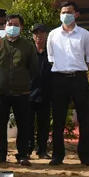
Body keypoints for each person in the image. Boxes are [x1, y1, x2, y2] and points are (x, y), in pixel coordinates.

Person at [46, 1, 89, 167]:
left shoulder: (85, 35)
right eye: (63, 12)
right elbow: (51, 57)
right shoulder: (53, 35)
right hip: (59, 78)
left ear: (76, 14)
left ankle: (85, 156)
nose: (65, 15)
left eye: (68, 12)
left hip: (79, 78)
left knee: (83, 118)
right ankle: (57, 156)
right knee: (58, 119)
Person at [0, 14, 37, 166]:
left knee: (23, 125)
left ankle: (23, 154)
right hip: (1, 93)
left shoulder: (27, 46)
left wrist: (26, 84)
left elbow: (34, 69)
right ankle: (0, 154)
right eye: (10, 24)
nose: (12, 26)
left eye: (16, 24)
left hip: (22, 93)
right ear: (5, 26)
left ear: (21, 27)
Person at [29, 23, 53, 159]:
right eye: (36, 33)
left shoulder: (51, 52)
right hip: (29, 93)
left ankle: (42, 150)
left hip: (46, 93)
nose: (39, 36)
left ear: (46, 34)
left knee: (43, 124)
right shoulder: (28, 52)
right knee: (28, 123)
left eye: (41, 33)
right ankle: (27, 149)